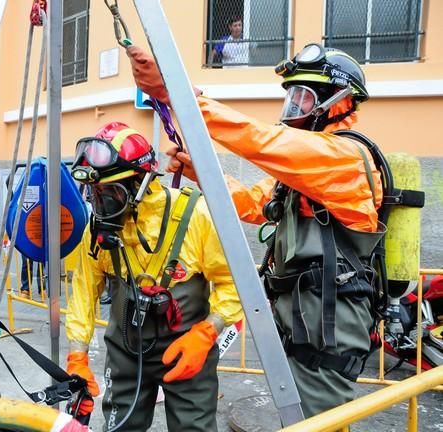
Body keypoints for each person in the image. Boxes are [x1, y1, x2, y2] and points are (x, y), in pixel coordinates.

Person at [128, 43, 386, 417]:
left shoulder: (342, 159)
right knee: (302, 417)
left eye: (304, 97)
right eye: (292, 97)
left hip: (327, 331)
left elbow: (262, 140)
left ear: (338, 103)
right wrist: (204, 172)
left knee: (315, 422)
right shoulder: (307, 173)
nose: (294, 108)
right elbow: (253, 204)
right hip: (303, 320)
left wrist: (177, 94)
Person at [65, 122, 243, 431]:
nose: (101, 203)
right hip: (125, 350)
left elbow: (234, 281)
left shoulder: (196, 216)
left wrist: (208, 332)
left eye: (111, 192)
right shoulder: (96, 231)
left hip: (187, 347)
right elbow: (83, 292)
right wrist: (77, 356)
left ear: (141, 183)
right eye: (94, 193)